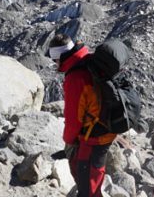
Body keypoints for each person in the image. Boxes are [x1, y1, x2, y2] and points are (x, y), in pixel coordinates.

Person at [48, 32, 116, 197]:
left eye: (55, 60)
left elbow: (73, 120)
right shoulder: (88, 59)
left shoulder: (75, 77)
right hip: (107, 127)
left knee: (87, 185)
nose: (55, 64)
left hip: (94, 136)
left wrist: (69, 143)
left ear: (61, 57)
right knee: (95, 174)